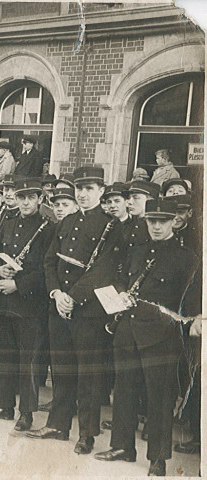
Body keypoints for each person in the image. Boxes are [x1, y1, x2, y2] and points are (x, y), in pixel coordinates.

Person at [94, 198, 197, 476]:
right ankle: (122, 446)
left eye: (162, 221)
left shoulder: (187, 257)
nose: (156, 226)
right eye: (152, 221)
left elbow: (190, 300)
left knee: (159, 398)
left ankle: (158, 458)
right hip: (128, 331)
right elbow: (120, 280)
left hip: (161, 335)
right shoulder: (136, 250)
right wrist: (120, 294)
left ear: (174, 221)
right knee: (124, 390)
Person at [29, 165, 122, 455]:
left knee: (88, 376)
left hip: (88, 312)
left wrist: (72, 297)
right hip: (60, 307)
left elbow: (104, 271)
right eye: (79, 189)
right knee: (62, 368)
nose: (83, 194)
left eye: (89, 189)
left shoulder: (112, 225)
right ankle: (58, 424)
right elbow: (49, 263)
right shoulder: (65, 223)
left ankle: (86, 434)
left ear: (101, 191)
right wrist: (56, 293)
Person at [0, 178, 54, 431]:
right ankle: (4, 405)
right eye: (21, 197)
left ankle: (27, 413)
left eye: (30, 197)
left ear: (40, 199)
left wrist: (18, 285)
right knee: (5, 356)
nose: (25, 202)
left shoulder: (47, 228)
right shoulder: (8, 223)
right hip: (2, 301)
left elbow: (47, 270)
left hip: (29, 306)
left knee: (27, 361)